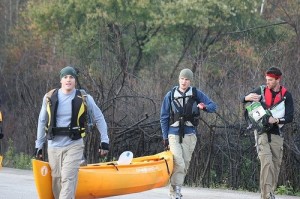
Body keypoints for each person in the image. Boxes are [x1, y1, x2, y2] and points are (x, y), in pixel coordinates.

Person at [35, 66, 109, 199]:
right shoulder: (49, 97)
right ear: (61, 80)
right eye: (65, 77)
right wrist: (38, 145)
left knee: (68, 178)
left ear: (75, 80)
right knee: (57, 181)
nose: (68, 80)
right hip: (54, 146)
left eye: (71, 77)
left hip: (74, 145)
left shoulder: (84, 97)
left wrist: (105, 141)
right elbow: (42, 120)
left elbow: (99, 118)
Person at [160, 68, 217, 199]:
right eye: (182, 79)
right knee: (178, 161)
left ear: (190, 81)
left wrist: (205, 107)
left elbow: (213, 106)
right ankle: (176, 191)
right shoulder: (171, 94)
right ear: (178, 79)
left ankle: (175, 189)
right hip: (173, 133)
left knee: (185, 163)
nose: (184, 82)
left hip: (190, 133)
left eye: (186, 79)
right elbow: (163, 116)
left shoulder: (196, 93)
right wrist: (164, 137)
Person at [241, 67, 294, 199]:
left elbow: (290, 117)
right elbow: (244, 100)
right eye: (267, 79)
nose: (267, 82)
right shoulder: (260, 90)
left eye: (270, 80)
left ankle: (270, 192)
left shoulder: (287, 95)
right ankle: (265, 196)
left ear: (278, 79)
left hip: (277, 134)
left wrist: (276, 120)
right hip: (261, 133)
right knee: (266, 162)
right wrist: (246, 97)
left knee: (275, 166)